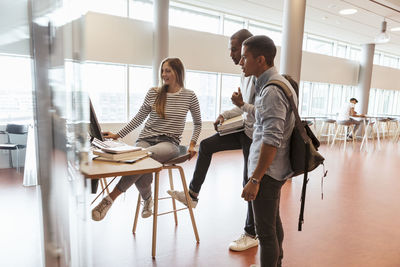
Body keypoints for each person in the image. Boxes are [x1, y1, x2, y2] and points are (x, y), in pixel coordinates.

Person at [167, 29, 259, 251]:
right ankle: (193, 195)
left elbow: (261, 112)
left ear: (247, 50)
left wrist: (240, 105)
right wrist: (225, 115)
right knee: (206, 146)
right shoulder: (244, 74)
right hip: (244, 129)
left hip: (255, 136)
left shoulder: (259, 77)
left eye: (234, 49)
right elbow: (243, 108)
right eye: (231, 48)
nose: (231, 53)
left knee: (248, 181)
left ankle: (251, 233)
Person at [91, 58, 202, 221]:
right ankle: (148, 199)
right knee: (141, 158)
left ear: (178, 72)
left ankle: (110, 199)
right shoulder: (154, 92)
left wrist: (192, 144)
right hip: (145, 139)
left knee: (143, 156)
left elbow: (198, 123)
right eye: (162, 71)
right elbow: (139, 118)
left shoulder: (189, 96)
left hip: (169, 143)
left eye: (168, 70)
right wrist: (117, 135)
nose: (164, 74)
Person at [239, 35, 296, 267]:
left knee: (265, 233)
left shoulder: (271, 91)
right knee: (273, 223)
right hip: (274, 170)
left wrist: (255, 179)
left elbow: (271, 140)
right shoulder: (278, 84)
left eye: (245, 57)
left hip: (267, 172)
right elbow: (264, 119)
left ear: (260, 59)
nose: (241, 62)